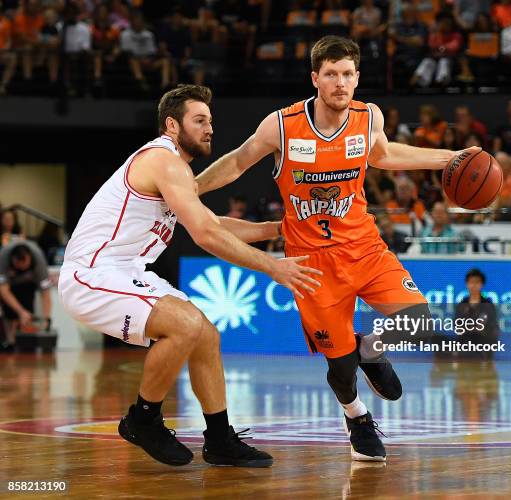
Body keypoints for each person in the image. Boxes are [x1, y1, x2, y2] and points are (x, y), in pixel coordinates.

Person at [194, 36, 476, 462]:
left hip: (364, 247)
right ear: (315, 78)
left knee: (418, 321)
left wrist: (449, 157)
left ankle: (371, 348)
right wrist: (188, 189)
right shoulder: (283, 126)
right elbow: (236, 161)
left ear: (357, 77)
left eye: (347, 74)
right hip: (311, 264)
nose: (340, 83)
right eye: (331, 74)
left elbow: (383, 155)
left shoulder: (369, 117)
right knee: (341, 371)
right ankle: (357, 417)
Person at [58, 85, 322, 468]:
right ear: (171, 124)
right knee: (183, 325)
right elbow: (206, 235)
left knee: (206, 335)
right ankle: (142, 418)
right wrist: (273, 267)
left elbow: (211, 222)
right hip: (91, 274)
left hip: (126, 273)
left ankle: (219, 440)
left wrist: (273, 229)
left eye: (211, 121)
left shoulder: (176, 171)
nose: (209, 128)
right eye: (199, 121)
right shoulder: (163, 161)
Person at [0, 241, 52, 352]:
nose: (23, 268)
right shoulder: (3, 257)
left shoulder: (39, 260)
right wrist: (20, 312)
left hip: (29, 285)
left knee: (28, 313)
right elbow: (3, 290)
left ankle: (26, 340)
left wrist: (46, 318)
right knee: (10, 313)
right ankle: (10, 341)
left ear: (29, 258)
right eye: (19, 266)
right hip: (10, 284)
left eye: (25, 265)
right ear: (13, 260)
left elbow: (45, 292)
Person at [453, 268, 498, 359]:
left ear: (482, 284)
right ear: (467, 284)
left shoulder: (488, 304)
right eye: (471, 282)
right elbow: (457, 326)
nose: (474, 285)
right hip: (465, 344)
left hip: (482, 344)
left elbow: (492, 326)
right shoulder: (462, 304)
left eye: (477, 282)